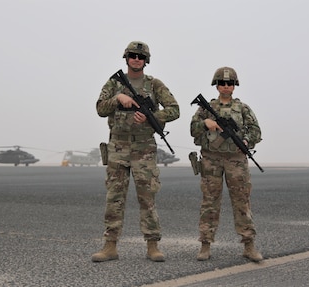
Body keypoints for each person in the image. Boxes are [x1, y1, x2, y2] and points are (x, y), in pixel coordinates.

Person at [92, 41, 180, 262]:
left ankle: (152, 246)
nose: (136, 59)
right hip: (118, 147)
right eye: (132, 55)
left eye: (141, 57)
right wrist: (117, 99)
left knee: (147, 198)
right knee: (114, 198)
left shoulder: (154, 84)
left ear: (146, 60)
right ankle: (110, 246)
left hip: (144, 149)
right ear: (126, 58)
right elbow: (100, 108)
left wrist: (153, 117)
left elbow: (174, 109)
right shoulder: (114, 83)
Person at [190, 66, 263, 262]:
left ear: (234, 86)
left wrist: (246, 141)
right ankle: (205, 245)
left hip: (236, 160)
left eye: (229, 83)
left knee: (241, 202)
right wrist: (206, 123)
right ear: (216, 85)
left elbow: (255, 130)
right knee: (209, 202)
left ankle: (249, 245)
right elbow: (193, 129)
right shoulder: (206, 108)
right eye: (221, 83)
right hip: (211, 159)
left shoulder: (243, 108)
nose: (225, 86)